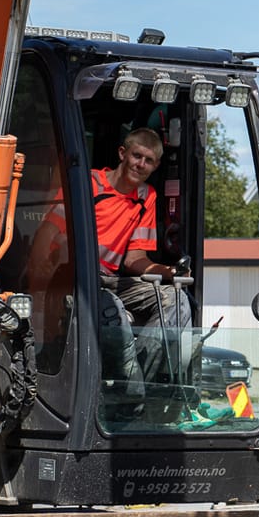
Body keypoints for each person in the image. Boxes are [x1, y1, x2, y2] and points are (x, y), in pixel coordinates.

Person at [92, 128, 194, 396]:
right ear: (122, 153)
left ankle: (137, 386)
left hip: (113, 281)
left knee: (177, 300)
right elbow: (49, 237)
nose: (141, 164)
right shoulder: (89, 183)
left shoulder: (145, 196)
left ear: (156, 165)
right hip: (81, 279)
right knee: (113, 311)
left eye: (149, 161)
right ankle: (131, 394)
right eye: (137, 156)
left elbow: (135, 259)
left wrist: (169, 271)